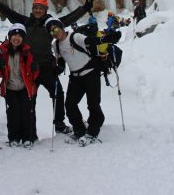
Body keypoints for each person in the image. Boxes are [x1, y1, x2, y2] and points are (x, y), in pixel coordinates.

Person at [0, 0, 92, 134]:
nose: (38, 10)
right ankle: (31, 131)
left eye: (41, 8)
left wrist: (84, 8)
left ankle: (59, 123)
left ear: (45, 10)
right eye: (36, 7)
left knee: (58, 94)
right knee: (30, 99)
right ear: (33, 9)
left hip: (48, 67)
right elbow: (9, 12)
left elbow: (68, 19)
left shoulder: (50, 25)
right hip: (30, 68)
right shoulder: (25, 22)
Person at [45, 17, 120, 146]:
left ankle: (92, 131)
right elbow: (62, 61)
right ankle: (79, 129)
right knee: (70, 105)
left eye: (56, 29)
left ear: (61, 27)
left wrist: (105, 39)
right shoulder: (55, 45)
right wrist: (58, 68)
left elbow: (90, 41)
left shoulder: (75, 37)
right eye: (51, 32)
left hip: (91, 73)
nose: (55, 33)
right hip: (75, 77)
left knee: (93, 104)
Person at [0, 23, 39, 148]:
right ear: (10, 36)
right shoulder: (3, 51)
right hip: (10, 88)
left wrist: (35, 69)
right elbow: (1, 74)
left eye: (20, 36)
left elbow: (33, 75)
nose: (16, 38)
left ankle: (27, 137)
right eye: (14, 35)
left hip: (25, 88)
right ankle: (13, 137)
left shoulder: (26, 53)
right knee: (13, 113)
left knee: (26, 112)